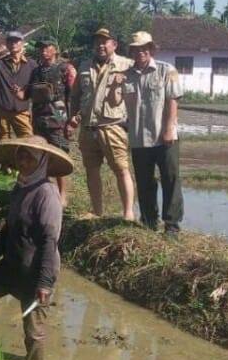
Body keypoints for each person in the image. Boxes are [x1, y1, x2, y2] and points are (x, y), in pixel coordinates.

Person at [0, 135, 71, 360]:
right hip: (11, 267)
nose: (23, 160)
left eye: (29, 157)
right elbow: (7, 231)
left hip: (34, 273)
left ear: (42, 161)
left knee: (34, 334)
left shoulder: (47, 195)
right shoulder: (21, 187)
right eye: (20, 155)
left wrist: (45, 282)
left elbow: (50, 242)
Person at [67, 27, 136, 221]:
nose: (100, 45)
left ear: (114, 44)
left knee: (121, 169)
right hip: (88, 127)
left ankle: (128, 213)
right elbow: (75, 95)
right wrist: (72, 118)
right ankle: (97, 211)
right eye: (97, 41)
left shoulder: (127, 65)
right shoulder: (84, 66)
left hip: (113, 126)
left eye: (105, 41)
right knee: (91, 169)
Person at [120, 31, 184, 238]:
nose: (141, 52)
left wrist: (169, 128)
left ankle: (172, 226)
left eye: (144, 48)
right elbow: (116, 103)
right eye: (136, 49)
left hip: (164, 137)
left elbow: (173, 100)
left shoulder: (167, 70)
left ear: (151, 50)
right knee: (145, 182)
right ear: (131, 52)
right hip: (139, 138)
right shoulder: (126, 76)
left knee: (170, 179)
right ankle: (149, 221)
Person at [24, 35, 76, 206]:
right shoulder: (36, 71)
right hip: (39, 118)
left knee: (60, 155)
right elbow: (28, 94)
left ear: (55, 49)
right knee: (42, 156)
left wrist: (71, 121)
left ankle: (63, 196)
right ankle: (46, 192)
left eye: (47, 47)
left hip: (58, 118)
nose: (43, 50)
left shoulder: (65, 69)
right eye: (41, 47)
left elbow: (74, 96)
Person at [0, 31, 35, 140]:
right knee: (3, 140)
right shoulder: (1, 62)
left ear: (22, 43)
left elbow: (36, 85)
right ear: (6, 44)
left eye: (16, 41)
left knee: (28, 140)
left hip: (21, 110)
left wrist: (25, 92)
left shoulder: (31, 64)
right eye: (10, 41)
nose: (13, 44)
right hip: (2, 109)